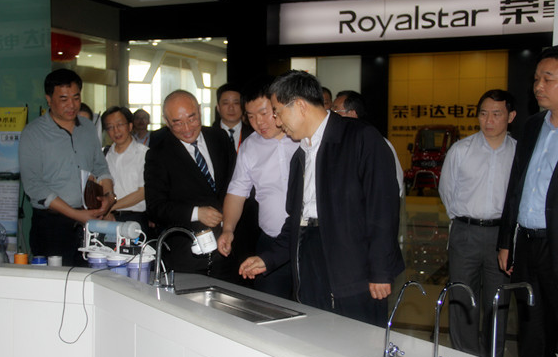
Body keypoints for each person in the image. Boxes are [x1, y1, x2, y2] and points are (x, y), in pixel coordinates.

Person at [239, 70, 404, 326]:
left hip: (355, 268)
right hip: (310, 263)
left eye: (278, 112)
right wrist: (267, 259)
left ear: (300, 106)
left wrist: (380, 271)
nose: (277, 121)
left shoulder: (360, 138)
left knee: (357, 339)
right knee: (316, 335)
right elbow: (297, 220)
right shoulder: (301, 154)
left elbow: (383, 210)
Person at [439, 90, 516, 357]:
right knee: (462, 299)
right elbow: (446, 190)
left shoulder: (519, 152)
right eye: (483, 113)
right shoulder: (461, 150)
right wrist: (464, 220)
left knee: (498, 303)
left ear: (511, 116)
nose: (488, 120)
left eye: (496, 114)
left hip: (502, 237)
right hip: (466, 232)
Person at [498, 46, 558, 357]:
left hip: (554, 243)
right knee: (530, 326)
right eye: (536, 79)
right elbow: (515, 188)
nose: (538, 86)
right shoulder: (533, 125)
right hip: (527, 244)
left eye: (547, 79)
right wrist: (506, 241)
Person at [19, 69, 115, 266]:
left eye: (76, 97)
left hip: (89, 220)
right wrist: (76, 215)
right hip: (51, 225)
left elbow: (100, 166)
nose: (71, 105)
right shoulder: (33, 133)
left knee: (89, 277)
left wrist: (108, 197)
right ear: (48, 99)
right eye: (63, 99)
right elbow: (34, 185)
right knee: (55, 281)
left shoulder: (88, 127)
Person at [218, 80, 298, 299]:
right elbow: (237, 191)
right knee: (270, 305)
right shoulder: (250, 146)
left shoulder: (302, 138)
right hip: (271, 241)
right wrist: (228, 229)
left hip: (308, 242)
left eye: (264, 113)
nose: (258, 122)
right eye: (251, 116)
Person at [145, 90, 237, 281]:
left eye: (192, 118)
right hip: (188, 256)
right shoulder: (159, 154)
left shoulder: (219, 137)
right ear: (166, 121)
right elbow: (155, 207)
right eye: (177, 122)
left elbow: (235, 184)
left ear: (200, 111)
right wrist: (196, 213)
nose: (187, 128)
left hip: (230, 250)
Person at [333, 90, 404, 197]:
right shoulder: (334, 144)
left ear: (352, 114)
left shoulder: (376, 143)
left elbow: (394, 185)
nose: (330, 116)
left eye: (335, 111)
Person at [101, 106, 151, 237]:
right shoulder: (104, 154)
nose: (116, 131)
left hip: (134, 219)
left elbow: (142, 193)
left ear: (130, 126)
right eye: (110, 127)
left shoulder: (144, 154)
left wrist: (109, 207)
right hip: (107, 218)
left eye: (119, 125)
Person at [212, 83, 253, 153]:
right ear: (218, 107)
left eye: (236, 103)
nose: (231, 108)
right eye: (226, 103)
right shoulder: (209, 136)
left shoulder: (253, 134)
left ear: (243, 106)